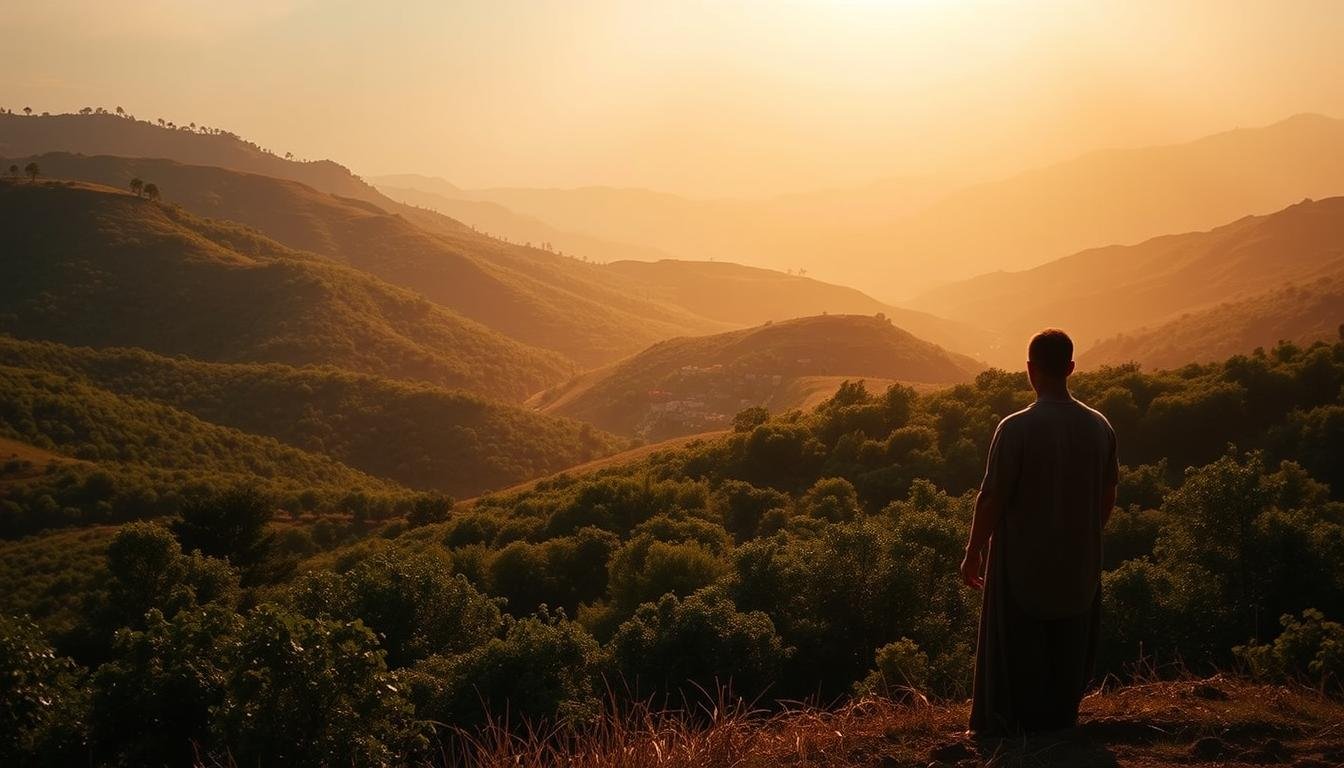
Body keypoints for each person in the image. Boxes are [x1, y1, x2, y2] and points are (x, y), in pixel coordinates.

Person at [960, 328, 1118, 736]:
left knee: (1016, 645)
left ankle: (1010, 726)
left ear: (1030, 370)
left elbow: (992, 497)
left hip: (1020, 559)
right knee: (1068, 641)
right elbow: (1107, 494)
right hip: (1080, 558)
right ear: (1070, 367)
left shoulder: (1015, 428)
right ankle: (1060, 720)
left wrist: (974, 550)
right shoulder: (1099, 427)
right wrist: (1086, 536)